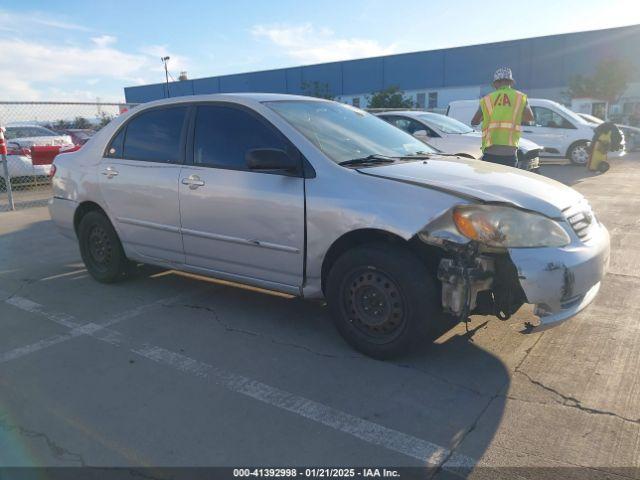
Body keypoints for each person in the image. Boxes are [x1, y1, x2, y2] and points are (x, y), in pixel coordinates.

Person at [471, 67, 534, 167]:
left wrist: (487, 116)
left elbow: (474, 121)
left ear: (496, 82)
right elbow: (529, 118)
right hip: (510, 153)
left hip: (490, 151)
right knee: (506, 181)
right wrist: (514, 115)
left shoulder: (487, 99)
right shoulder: (520, 97)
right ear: (510, 82)